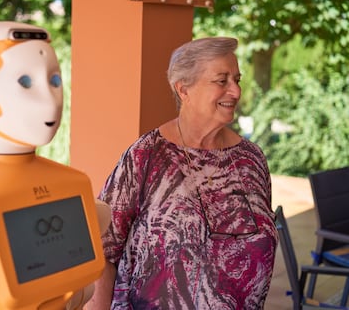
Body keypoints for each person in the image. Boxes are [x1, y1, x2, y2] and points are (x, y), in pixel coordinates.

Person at [85, 37, 278, 309]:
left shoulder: (251, 159)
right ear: (183, 90)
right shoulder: (147, 155)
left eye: (237, 79)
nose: (235, 91)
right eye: (221, 81)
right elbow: (103, 250)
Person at [0, 21, 110, 310]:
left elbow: (82, 284)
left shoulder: (72, 186)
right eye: (25, 82)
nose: (50, 100)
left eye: (54, 81)